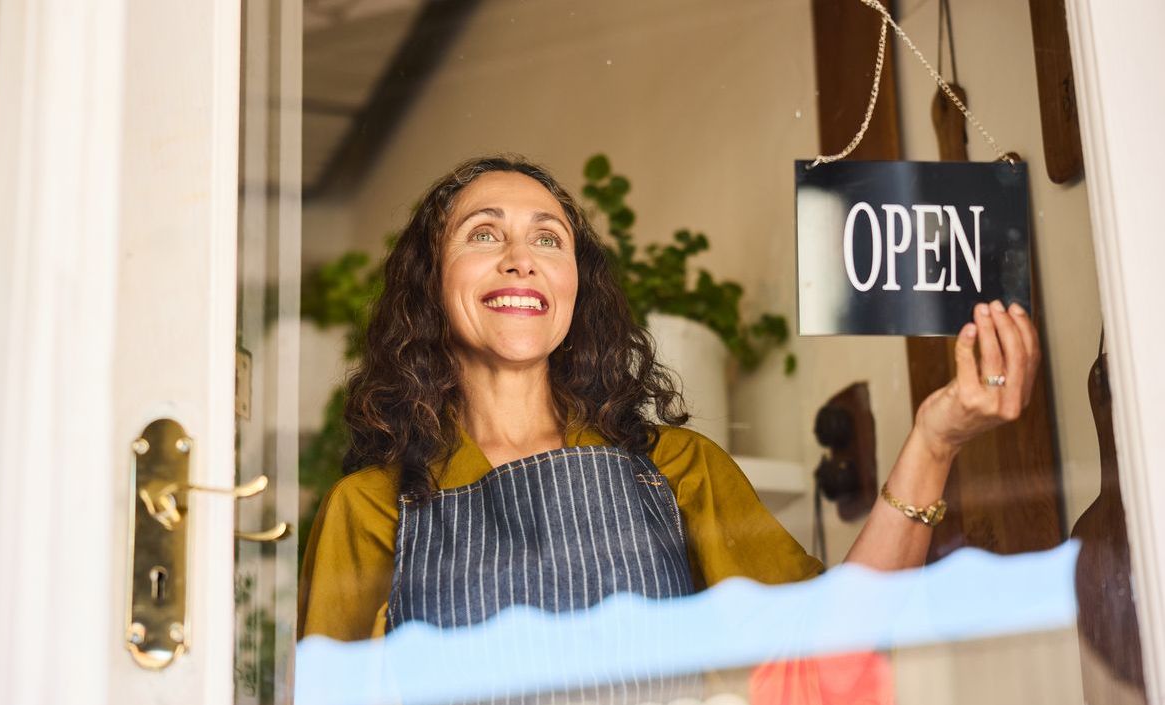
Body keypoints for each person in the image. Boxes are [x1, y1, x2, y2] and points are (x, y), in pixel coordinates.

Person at [298, 155, 1041, 643]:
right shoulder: (369, 510)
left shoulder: (677, 468)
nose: (521, 259)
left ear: (576, 287)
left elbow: (833, 637)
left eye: (548, 240)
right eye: (484, 234)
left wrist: (934, 441)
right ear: (431, 283)